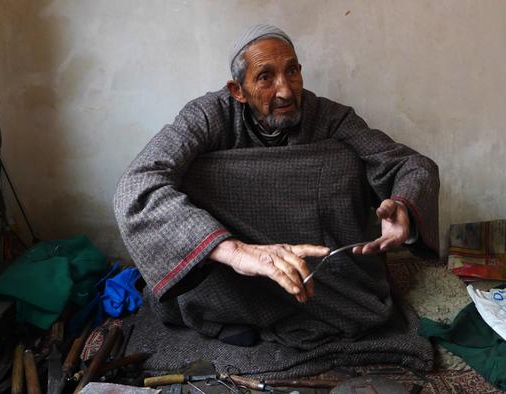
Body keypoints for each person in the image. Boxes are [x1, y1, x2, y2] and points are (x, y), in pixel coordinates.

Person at [114, 24, 439, 348]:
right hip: (227, 279)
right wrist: (236, 252)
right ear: (237, 90)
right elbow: (136, 186)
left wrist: (402, 205)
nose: (285, 90)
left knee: (344, 162)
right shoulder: (207, 116)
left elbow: (411, 165)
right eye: (266, 77)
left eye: (293, 71)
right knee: (193, 177)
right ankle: (225, 309)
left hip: (322, 277)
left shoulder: (328, 117)